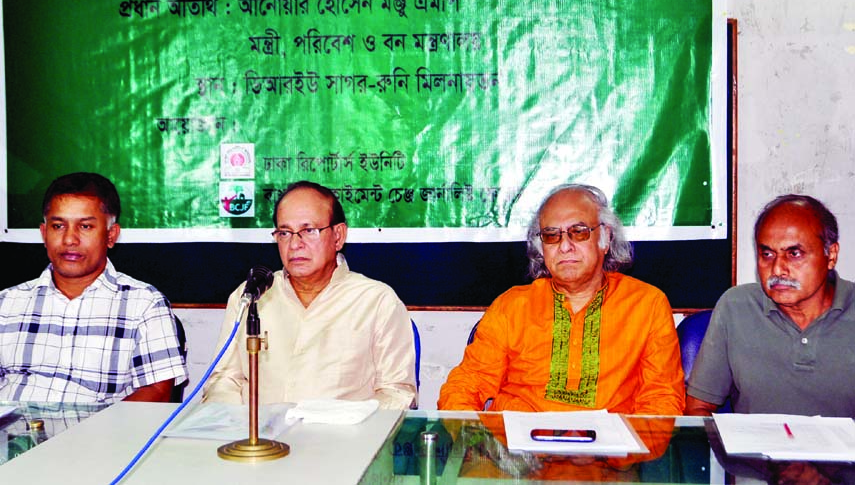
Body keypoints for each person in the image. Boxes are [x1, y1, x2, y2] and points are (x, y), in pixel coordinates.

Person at [438, 184, 685, 413]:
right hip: (517, 454)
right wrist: (477, 442)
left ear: (605, 238)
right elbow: (465, 386)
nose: (565, 246)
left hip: (612, 455)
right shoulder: (511, 306)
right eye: (552, 235)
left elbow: (662, 400)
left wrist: (632, 453)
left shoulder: (647, 305)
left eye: (578, 232)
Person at [202, 180, 416, 409]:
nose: (294, 244)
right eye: (284, 233)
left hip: (345, 441)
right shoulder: (250, 296)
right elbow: (223, 381)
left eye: (308, 231)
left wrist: (349, 427)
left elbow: (397, 394)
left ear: (338, 236)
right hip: (262, 439)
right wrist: (235, 427)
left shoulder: (376, 301)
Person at [0, 172, 188, 403]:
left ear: (110, 235)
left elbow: (156, 393)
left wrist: (88, 437)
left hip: (99, 435)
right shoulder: (6, 303)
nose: (69, 239)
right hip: (12, 435)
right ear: (43, 233)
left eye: (85, 226)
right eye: (58, 226)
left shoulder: (144, 305)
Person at [686, 194, 855, 417]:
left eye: (794, 254)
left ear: (831, 255)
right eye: (767, 254)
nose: (777, 269)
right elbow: (698, 408)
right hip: (752, 452)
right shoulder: (736, 307)